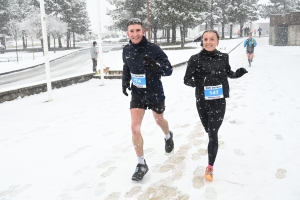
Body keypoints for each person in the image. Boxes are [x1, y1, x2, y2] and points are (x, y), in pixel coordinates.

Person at [183, 30, 248, 181]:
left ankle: (210, 166)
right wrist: (201, 83)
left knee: (213, 133)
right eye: (206, 39)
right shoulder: (195, 59)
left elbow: (228, 73)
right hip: (202, 101)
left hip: (219, 101)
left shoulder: (223, 57)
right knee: (208, 129)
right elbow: (186, 80)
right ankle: (212, 147)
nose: (208, 42)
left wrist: (237, 74)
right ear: (202, 41)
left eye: (212, 39)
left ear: (218, 41)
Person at [122, 18, 174, 181]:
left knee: (159, 120)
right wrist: (125, 80)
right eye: (132, 31)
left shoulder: (153, 49)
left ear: (143, 31)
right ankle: (141, 163)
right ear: (127, 33)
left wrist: (157, 67)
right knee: (135, 128)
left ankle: (167, 135)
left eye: (138, 30)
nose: (135, 34)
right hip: (137, 93)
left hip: (154, 91)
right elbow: (126, 66)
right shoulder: (126, 50)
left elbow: (169, 70)